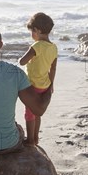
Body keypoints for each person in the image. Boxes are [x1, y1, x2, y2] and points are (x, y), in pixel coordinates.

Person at [18, 13, 57, 146]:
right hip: (45, 85)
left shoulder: (36, 46)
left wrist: (21, 57)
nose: (32, 35)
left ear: (38, 31)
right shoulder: (54, 48)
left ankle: (30, 140)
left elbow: (22, 62)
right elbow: (53, 69)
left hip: (32, 85)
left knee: (29, 113)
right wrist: (51, 84)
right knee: (37, 112)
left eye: (32, 31)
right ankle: (35, 138)